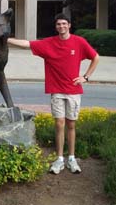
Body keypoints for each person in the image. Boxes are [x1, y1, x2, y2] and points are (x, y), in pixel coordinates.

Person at [8, 13, 99, 174]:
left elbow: (95, 57)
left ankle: (71, 158)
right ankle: (59, 159)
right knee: (59, 124)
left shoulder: (79, 42)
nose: (61, 26)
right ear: (56, 27)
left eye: (64, 24)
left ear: (69, 25)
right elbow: (26, 44)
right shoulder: (48, 43)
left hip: (73, 90)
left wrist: (85, 77)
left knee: (71, 124)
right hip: (56, 91)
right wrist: (5, 39)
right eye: (59, 24)